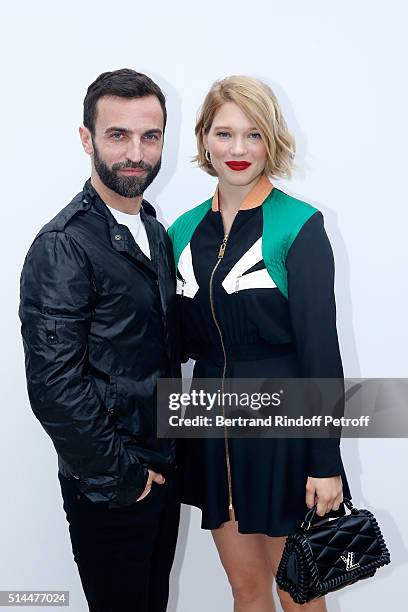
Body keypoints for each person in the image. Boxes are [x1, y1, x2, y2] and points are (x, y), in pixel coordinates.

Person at [168, 75, 352, 611]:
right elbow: (172, 342)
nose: (239, 150)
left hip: (284, 433)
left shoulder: (300, 225)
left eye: (253, 135)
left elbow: (322, 355)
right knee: (245, 588)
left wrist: (325, 460)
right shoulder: (181, 231)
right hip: (211, 430)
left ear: (272, 140)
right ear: (204, 139)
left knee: (299, 589)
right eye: (224, 134)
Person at [19, 68, 180, 612]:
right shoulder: (64, 244)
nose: (136, 152)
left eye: (150, 136)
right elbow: (53, 386)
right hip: (111, 486)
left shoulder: (153, 230)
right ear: (87, 139)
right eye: (118, 135)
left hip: (159, 469)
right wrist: (124, 478)